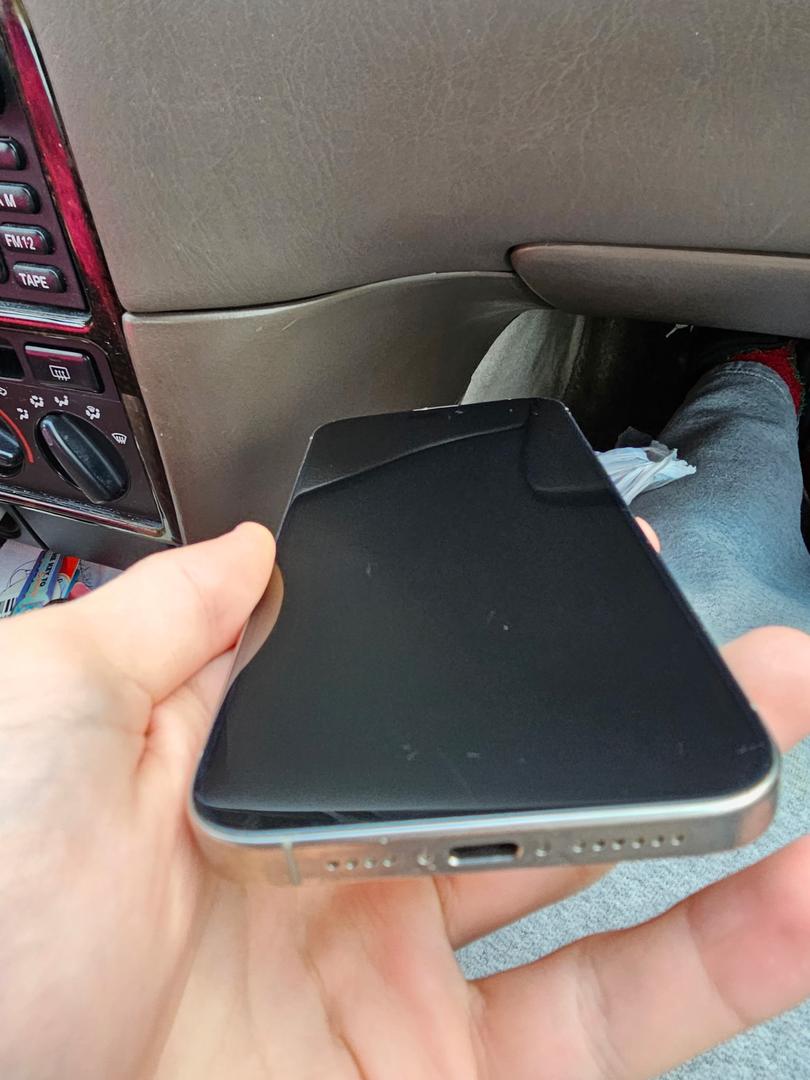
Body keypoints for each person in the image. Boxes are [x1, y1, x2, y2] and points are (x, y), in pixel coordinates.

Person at [1, 338, 809, 1080]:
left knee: (705, 550)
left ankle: (751, 384)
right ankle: (755, 378)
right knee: (711, 553)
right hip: (551, 766)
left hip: (276, 836)